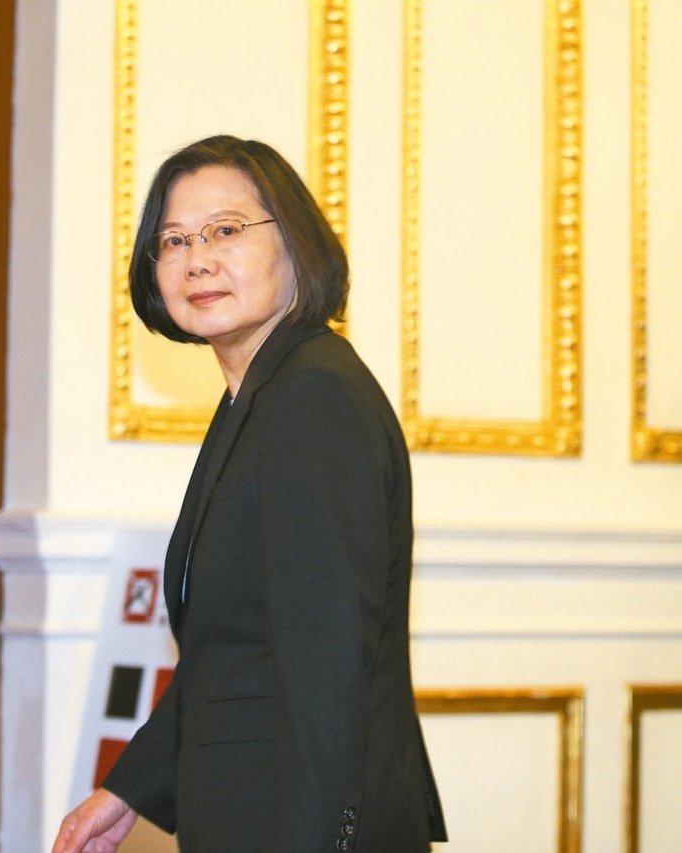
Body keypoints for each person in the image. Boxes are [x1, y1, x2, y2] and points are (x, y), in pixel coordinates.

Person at [51, 135, 447, 853]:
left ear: (295, 243)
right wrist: (129, 789)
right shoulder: (261, 396)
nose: (197, 259)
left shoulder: (312, 399)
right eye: (174, 240)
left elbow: (325, 675)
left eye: (225, 230)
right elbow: (235, 655)